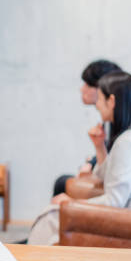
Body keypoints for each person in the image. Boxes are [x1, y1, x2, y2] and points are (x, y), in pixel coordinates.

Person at [29, 71, 131, 245]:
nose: (97, 105)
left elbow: (114, 201)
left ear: (112, 101)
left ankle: (31, 259)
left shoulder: (129, 142)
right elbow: (108, 177)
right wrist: (99, 146)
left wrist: (74, 203)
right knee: (55, 212)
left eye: (99, 99)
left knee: (53, 214)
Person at [52, 59, 121, 196]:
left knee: (61, 183)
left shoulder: (119, 124)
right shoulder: (111, 120)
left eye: (87, 84)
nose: (82, 89)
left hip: (117, 193)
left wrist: (93, 164)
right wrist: (93, 162)